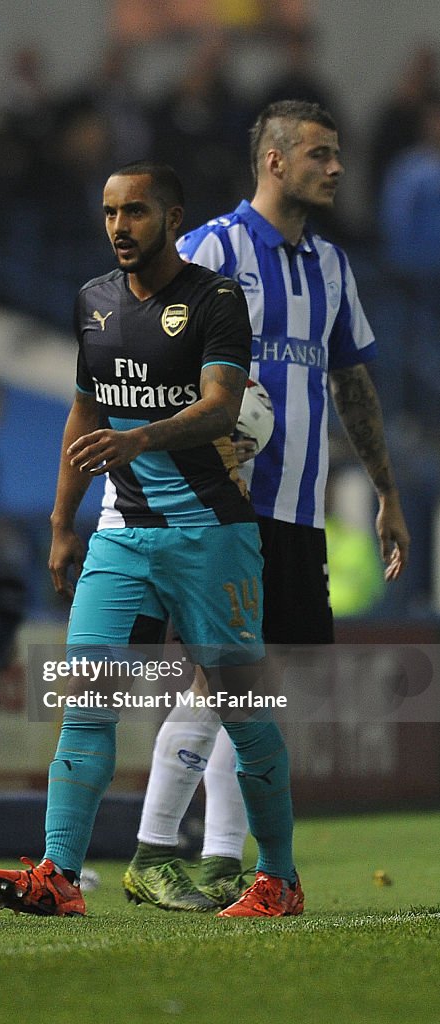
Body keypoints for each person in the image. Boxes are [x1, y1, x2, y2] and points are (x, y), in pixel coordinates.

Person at [0, 161, 305, 919]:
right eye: (108, 213)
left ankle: (279, 879)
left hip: (209, 539)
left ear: (172, 217)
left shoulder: (214, 301)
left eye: (135, 212)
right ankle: (59, 875)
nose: (119, 227)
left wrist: (142, 440)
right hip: (122, 538)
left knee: (243, 712)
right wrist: (64, 523)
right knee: (85, 701)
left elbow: (222, 407)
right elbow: (83, 415)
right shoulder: (91, 303)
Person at [122, 101, 410, 914]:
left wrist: (386, 491)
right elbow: (152, 351)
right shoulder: (214, 247)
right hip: (223, 505)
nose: (336, 168)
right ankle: (153, 850)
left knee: (254, 686)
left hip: (296, 506)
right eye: (321, 153)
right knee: (225, 678)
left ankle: (216, 860)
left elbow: (351, 384)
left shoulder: (330, 266)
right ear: (275, 161)